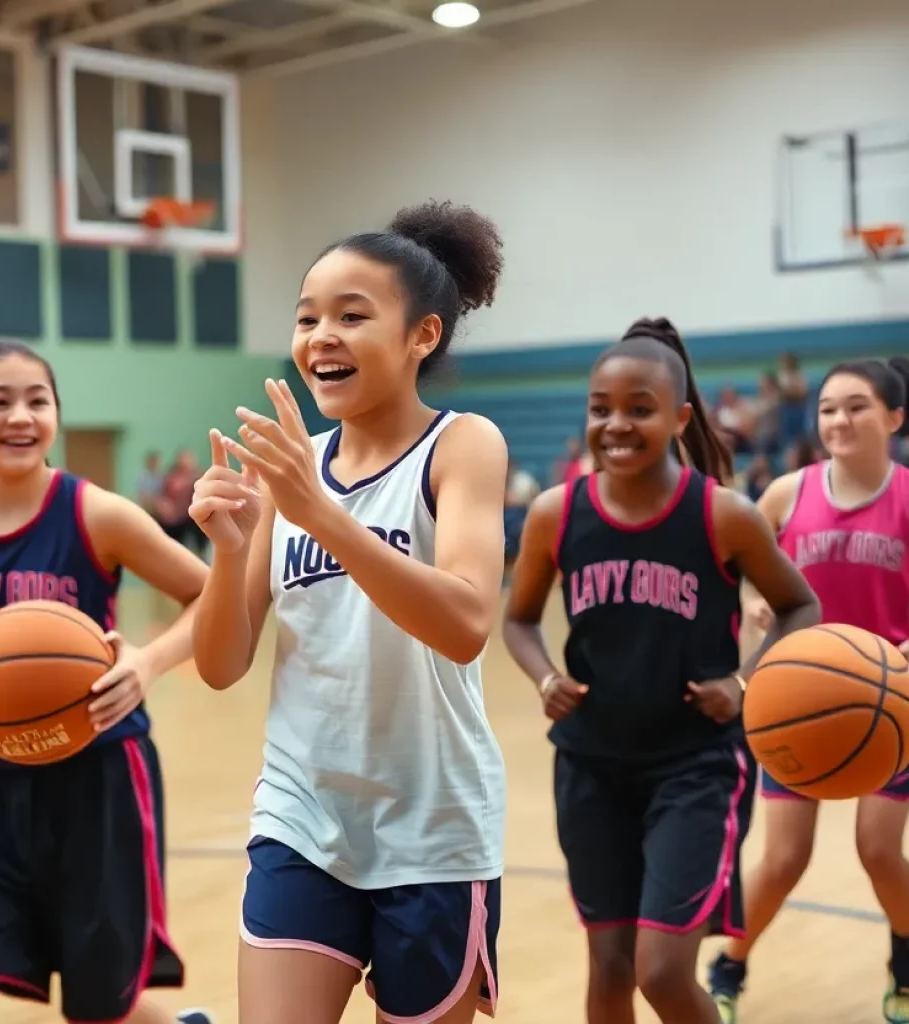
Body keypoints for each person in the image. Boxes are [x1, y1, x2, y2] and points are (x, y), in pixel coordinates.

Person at [189, 200, 508, 1024]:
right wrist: (229, 551)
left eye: (351, 316)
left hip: (434, 828)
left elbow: (467, 623)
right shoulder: (283, 474)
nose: (320, 335)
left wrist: (321, 511)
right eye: (306, 318)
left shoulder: (461, 445)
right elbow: (222, 666)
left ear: (422, 336)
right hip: (303, 816)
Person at [501, 317, 821, 1024]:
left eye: (639, 409)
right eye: (600, 408)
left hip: (695, 767)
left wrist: (743, 683)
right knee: (608, 966)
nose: (616, 424)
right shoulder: (556, 515)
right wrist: (544, 676)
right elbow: (517, 617)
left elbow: (800, 606)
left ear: (678, 417)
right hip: (591, 764)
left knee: (662, 971)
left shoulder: (724, 515)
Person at [0, 341, 214, 1024]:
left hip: (98, 779)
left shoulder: (98, 513)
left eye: (38, 400)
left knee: (99, 1010)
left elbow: (211, 598)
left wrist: (146, 662)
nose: (21, 416)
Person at [709, 357, 909, 1024]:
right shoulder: (786, 494)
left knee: (880, 851)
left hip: (891, 706)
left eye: (856, 406)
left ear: (893, 417)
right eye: (828, 408)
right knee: (785, 857)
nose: (839, 419)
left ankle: (904, 961)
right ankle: (729, 965)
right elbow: (740, 570)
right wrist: (762, 604)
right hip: (797, 701)